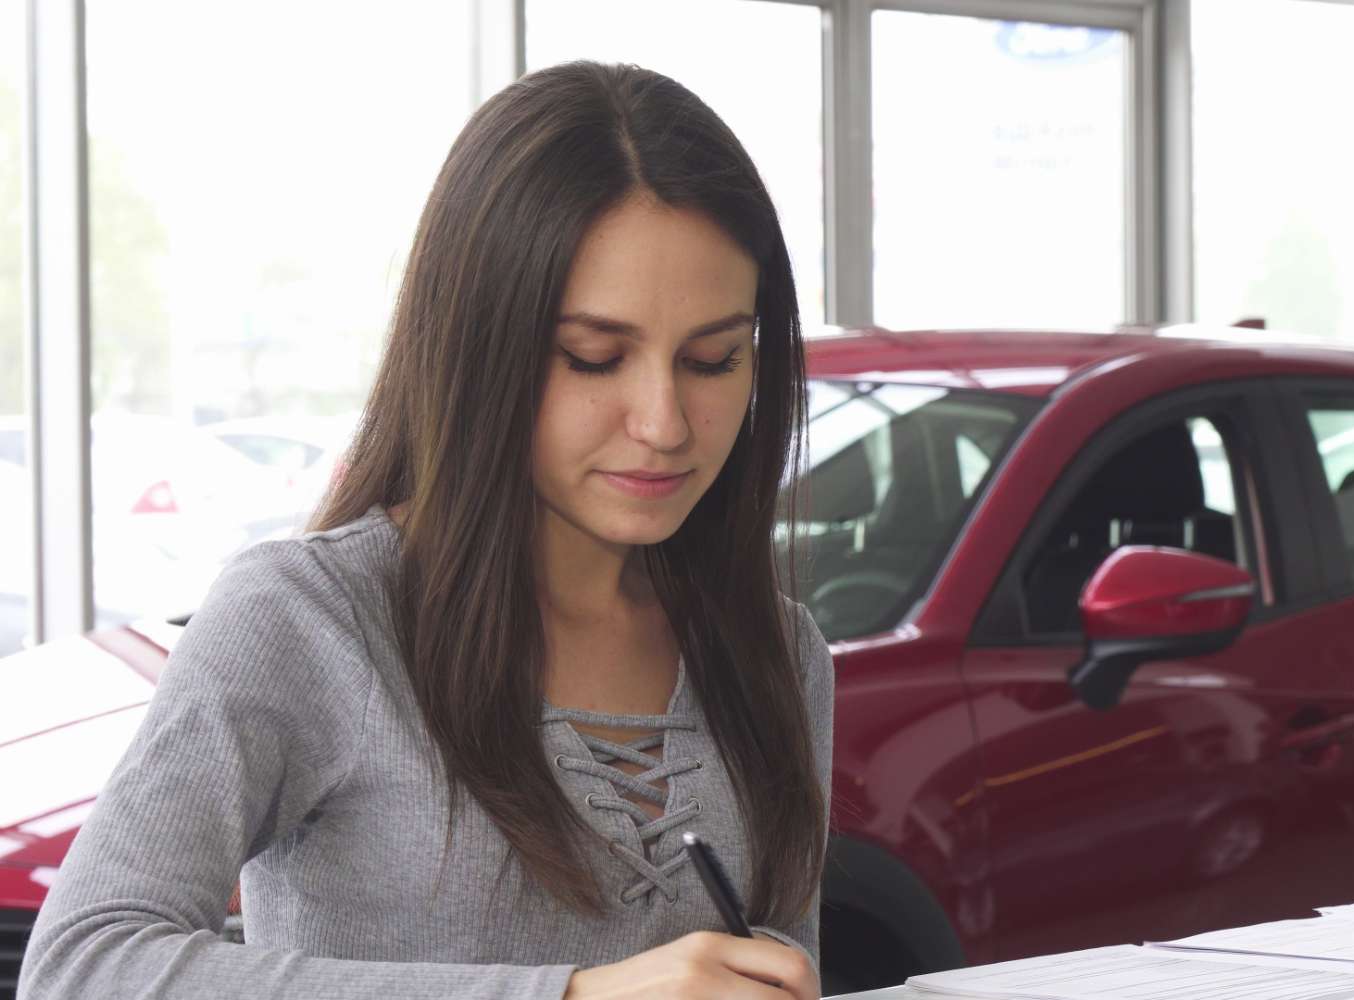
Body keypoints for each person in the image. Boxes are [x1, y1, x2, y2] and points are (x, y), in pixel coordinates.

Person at [18, 60, 831, 1000]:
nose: (664, 421)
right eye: (592, 358)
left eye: (713, 358)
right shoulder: (309, 619)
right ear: (477, 345)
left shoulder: (780, 652)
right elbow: (85, 966)